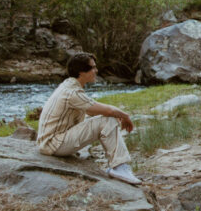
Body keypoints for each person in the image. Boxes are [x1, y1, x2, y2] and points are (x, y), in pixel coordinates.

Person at [37, 52, 143, 185]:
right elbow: (108, 111)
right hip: (54, 144)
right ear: (81, 72)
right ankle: (119, 167)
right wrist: (125, 116)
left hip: (50, 141)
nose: (96, 71)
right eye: (93, 68)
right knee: (108, 119)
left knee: (105, 117)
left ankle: (118, 165)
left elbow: (91, 110)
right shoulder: (72, 93)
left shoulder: (69, 85)